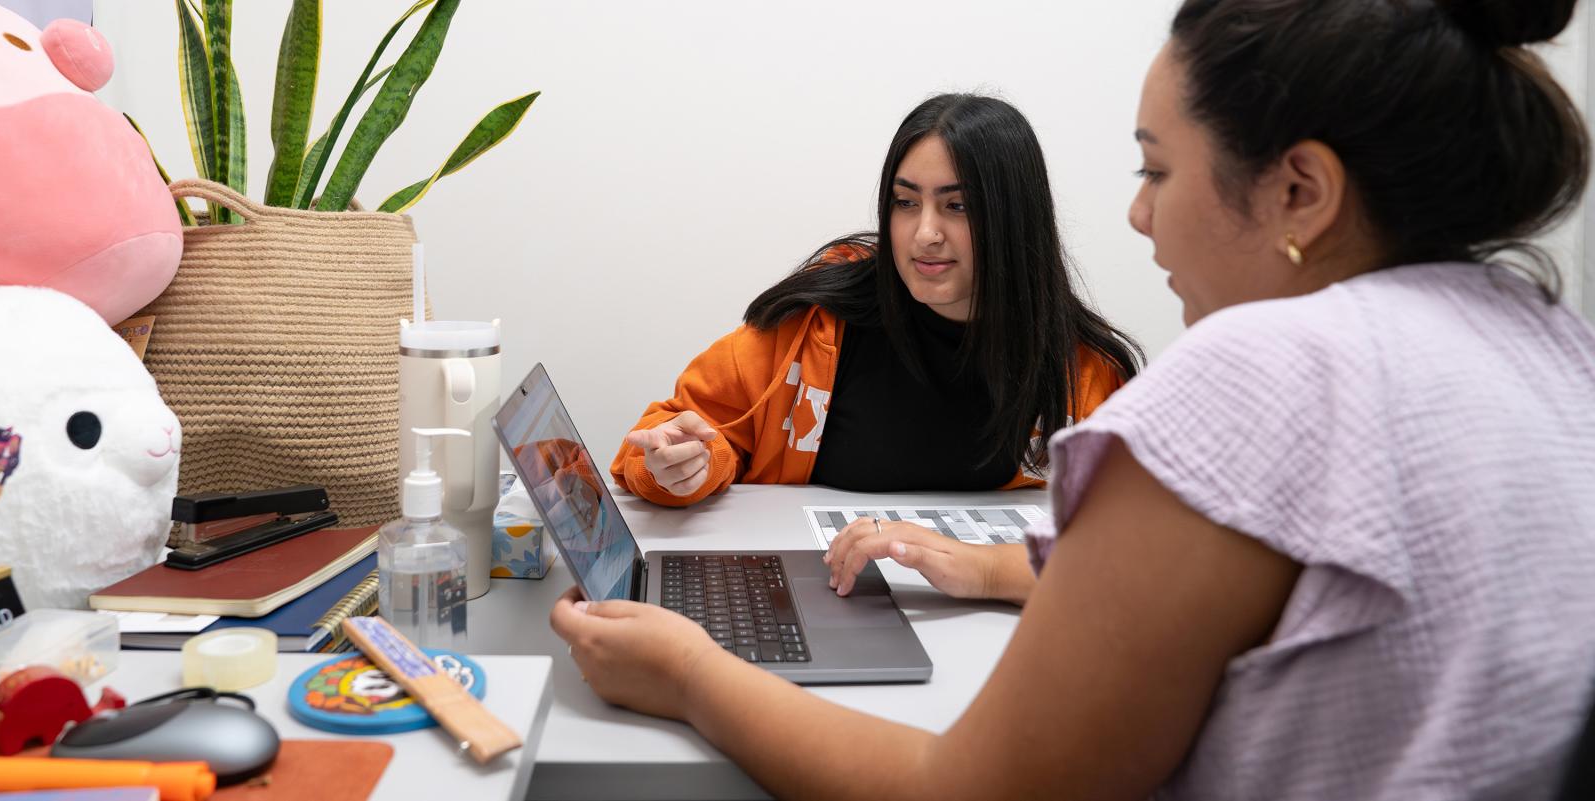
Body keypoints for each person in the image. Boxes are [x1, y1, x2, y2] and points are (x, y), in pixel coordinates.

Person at [553, 0, 1595, 797]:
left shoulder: (1248, 373)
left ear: (1300, 193)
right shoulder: (1555, 345)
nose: (1139, 217)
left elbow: (972, 788)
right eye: (907, 204)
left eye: (1157, 172)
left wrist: (689, 674)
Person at [611, 94, 1142, 514]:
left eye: (958, 206)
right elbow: (671, 437)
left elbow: (1132, 533)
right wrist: (683, 467)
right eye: (905, 202)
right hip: (828, 590)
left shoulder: (1086, 372)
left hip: (996, 609)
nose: (925, 233)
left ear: (1014, 219)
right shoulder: (812, 327)